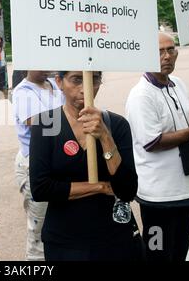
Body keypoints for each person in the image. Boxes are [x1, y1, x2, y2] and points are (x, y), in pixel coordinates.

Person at [125, 32, 189, 262]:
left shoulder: (178, 84)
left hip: (185, 190)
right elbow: (153, 142)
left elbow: (188, 123)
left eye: (171, 49)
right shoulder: (141, 95)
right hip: (158, 197)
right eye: (159, 52)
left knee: (179, 253)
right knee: (158, 255)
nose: (167, 56)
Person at [29, 71, 140, 261]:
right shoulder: (46, 124)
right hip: (64, 241)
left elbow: (127, 189)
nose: (85, 87)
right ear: (59, 82)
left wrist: (105, 136)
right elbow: (41, 188)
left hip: (113, 238)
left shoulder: (117, 124)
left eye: (93, 78)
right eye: (76, 79)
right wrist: (101, 186)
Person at [12, 71, 64, 261]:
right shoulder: (23, 92)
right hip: (34, 165)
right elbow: (44, 124)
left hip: (58, 162)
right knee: (39, 234)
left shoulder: (54, 83)